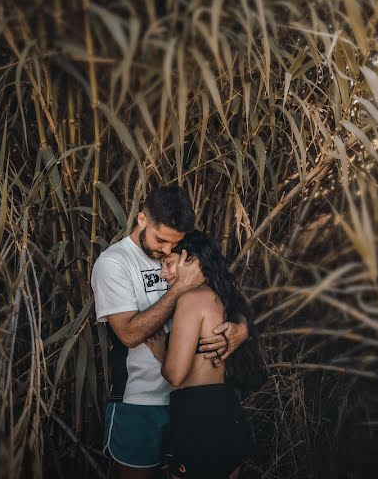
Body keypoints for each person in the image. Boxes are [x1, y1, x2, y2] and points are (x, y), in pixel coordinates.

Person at [91, 185, 250, 478]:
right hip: (141, 402)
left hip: (189, 405)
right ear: (142, 220)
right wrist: (179, 289)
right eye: (161, 240)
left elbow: (221, 289)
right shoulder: (114, 263)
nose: (166, 250)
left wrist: (242, 327)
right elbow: (127, 333)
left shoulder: (183, 248)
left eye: (173, 245)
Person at [145, 230, 267, 479]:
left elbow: (176, 375)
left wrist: (160, 352)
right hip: (228, 414)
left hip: (199, 421)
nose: (163, 273)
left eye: (169, 264)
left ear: (193, 261)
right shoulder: (224, 296)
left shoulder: (190, 300)